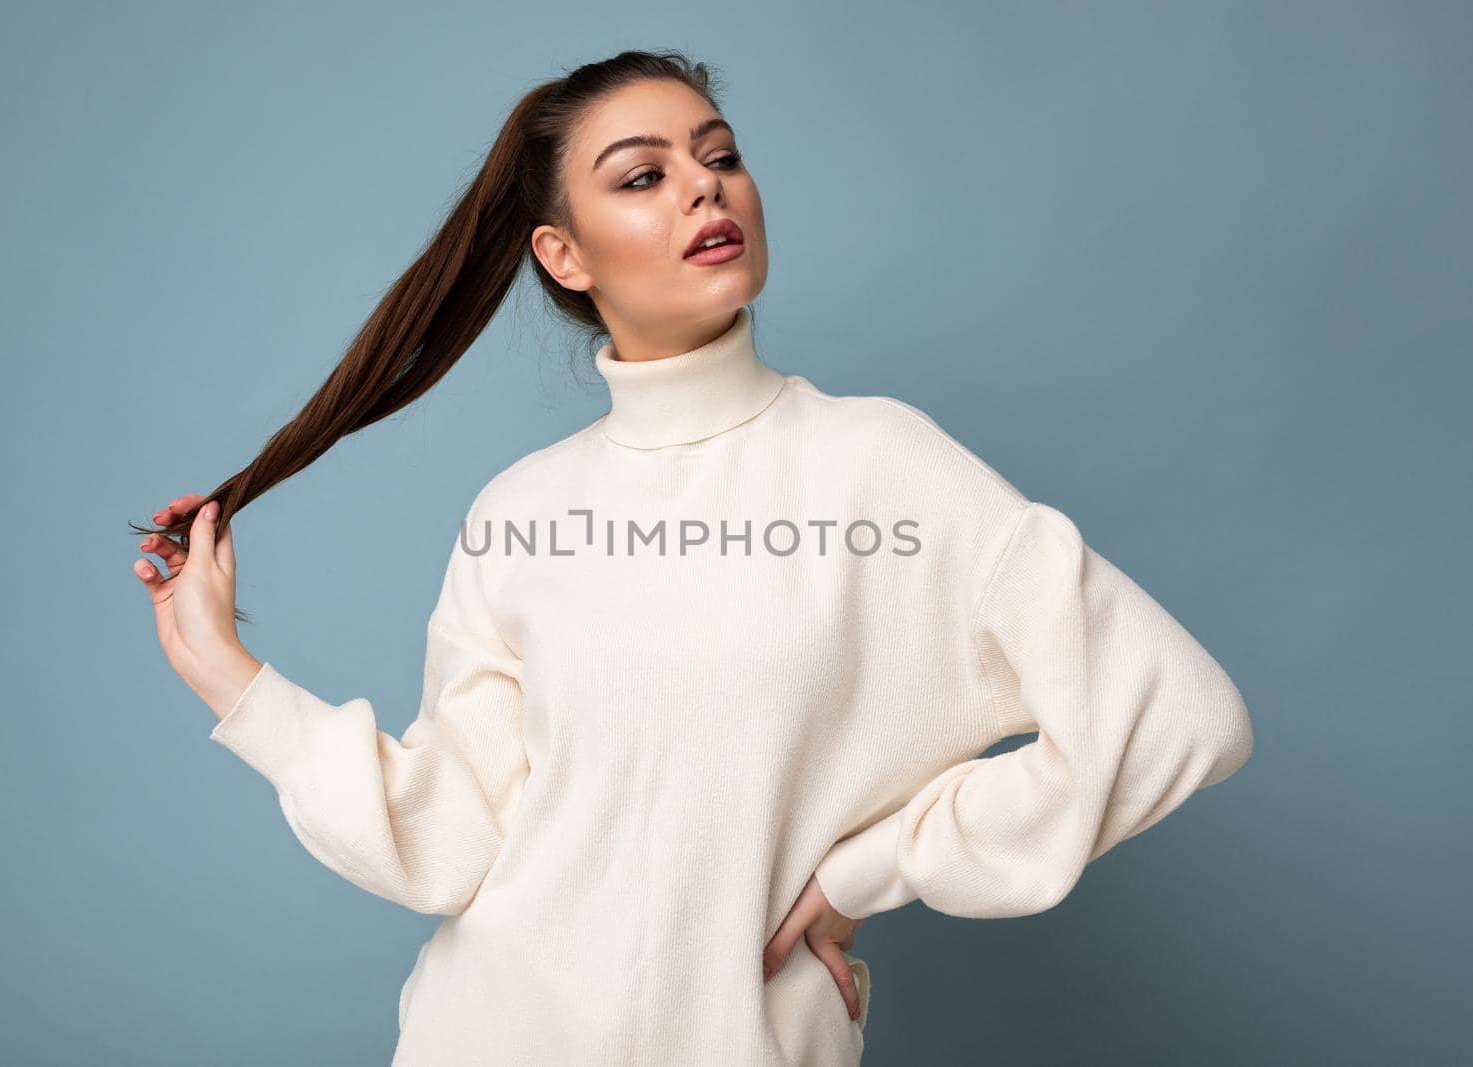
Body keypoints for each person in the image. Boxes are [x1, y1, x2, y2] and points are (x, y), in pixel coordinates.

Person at [129, 49, 1254, 1067]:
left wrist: (873, 866)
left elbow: (1177, 715)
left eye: (719, 157)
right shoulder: (520, 510)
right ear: (561, 255)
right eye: (642, 175)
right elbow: (451, 841)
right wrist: (234, 677)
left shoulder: (882, 466)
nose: (704, 187)